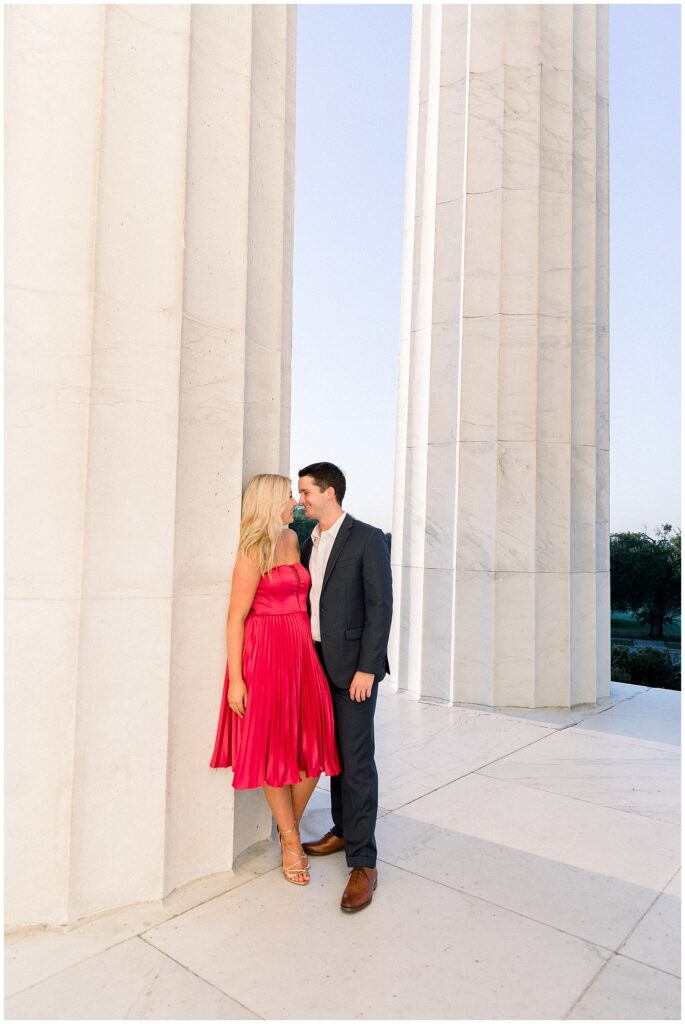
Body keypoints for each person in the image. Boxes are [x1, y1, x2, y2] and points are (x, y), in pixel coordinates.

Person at [209, 473, 341, 886]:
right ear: (269, 501)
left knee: (315, 749)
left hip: (300, 652)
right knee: (274, 750)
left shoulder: (291, 539)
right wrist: (236, 680)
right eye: (288, 495)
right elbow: (235, 618)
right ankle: (290, 841)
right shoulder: (252, 551)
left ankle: (290, 829)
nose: (295, 502)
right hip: (265, 655)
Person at [297, 462, 393, 912]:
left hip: (354, 672)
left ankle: (364, 861)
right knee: (333, 757)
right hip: (315, 667)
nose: (302, 500)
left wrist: (367, 669)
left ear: (329, 493)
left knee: (356, 762)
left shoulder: (367, 538)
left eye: (306, 492)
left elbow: (380, 607)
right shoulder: (307, 541)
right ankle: (342, 829)